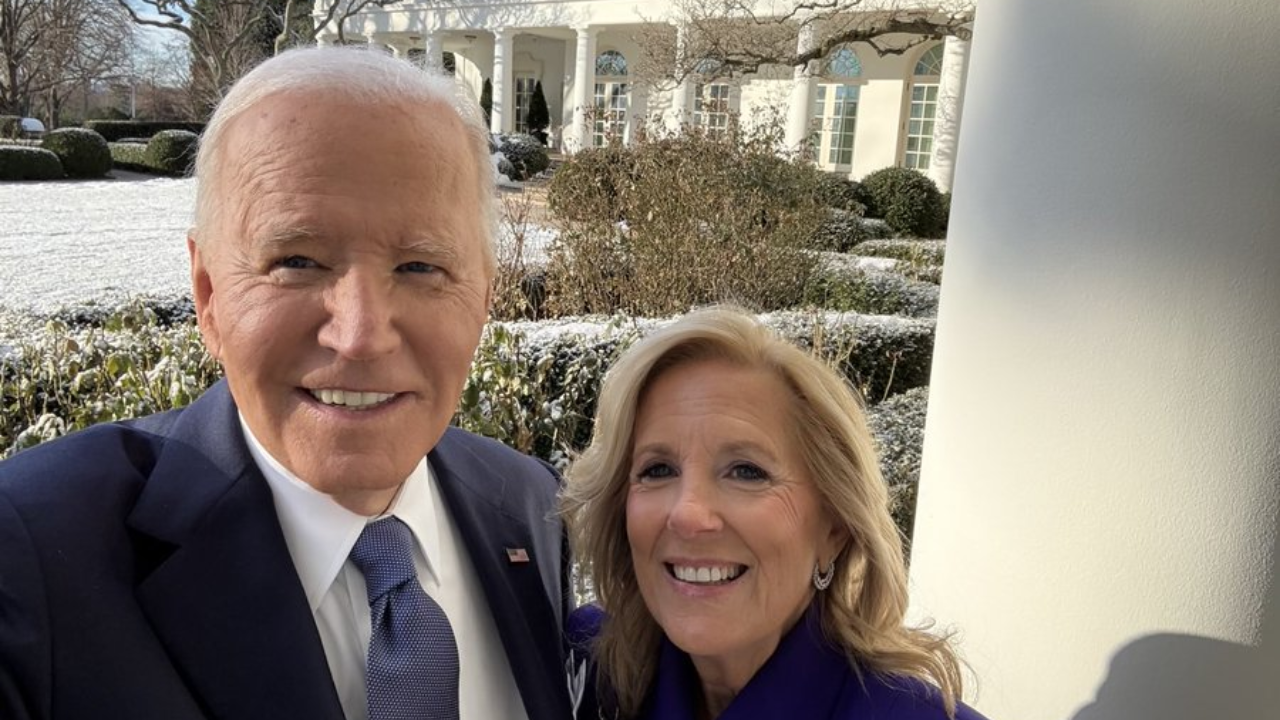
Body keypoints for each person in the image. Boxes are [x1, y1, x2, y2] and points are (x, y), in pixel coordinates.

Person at [0, 47, 574, 720]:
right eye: (296, 261)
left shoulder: (529, 503)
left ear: (483, 295)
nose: (359, 335)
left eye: (420, 267)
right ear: (208, 294)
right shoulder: (31, 553)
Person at [561, 307, 990, 720]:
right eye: (657, 470)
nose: (688, 514)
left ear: (835, 528)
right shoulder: (586, 669)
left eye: (747, 472)